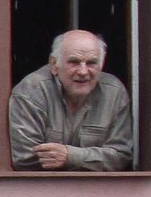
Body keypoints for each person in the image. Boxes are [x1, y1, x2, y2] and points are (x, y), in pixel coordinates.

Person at [8, 30, 133, 171]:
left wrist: (70, 157)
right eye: (74, 62)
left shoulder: (114, 92)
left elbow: (121, 156)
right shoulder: (32, 90)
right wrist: (93, 161)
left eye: (92, 63)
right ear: (54, 64)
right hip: (42, 191)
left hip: (98, 191)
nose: (83, 71)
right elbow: (25, 159)